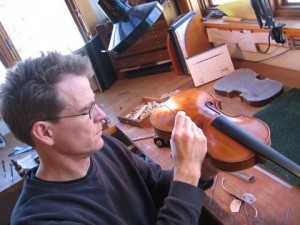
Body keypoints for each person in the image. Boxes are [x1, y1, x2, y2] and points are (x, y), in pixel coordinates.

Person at [0, 52, 218, 225]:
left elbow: (157, 187)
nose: (101, 116)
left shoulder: (102, 147)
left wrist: (202, 168)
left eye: (95, 103)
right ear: (45, 132)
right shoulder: (41, 219)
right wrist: (186, 173)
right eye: (86, 111)